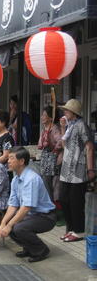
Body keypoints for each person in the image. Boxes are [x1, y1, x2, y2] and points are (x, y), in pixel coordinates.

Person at [0, 146, 56, 263]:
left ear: (21, 161)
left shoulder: (31, 179)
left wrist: (9, 225)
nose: (8, 161)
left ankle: (41, 250)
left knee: (18, 227)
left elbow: (26, 208)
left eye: (11, 158)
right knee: (12, 226)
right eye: (8, 158)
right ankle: (29, 248)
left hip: (46, 217)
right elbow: (13, 205)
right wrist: (3, 223)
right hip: (32, 215)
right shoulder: (16, 179)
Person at [58, 99, 95, 242]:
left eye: (67, 110)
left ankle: (79, 231)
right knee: (64, 199)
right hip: (67, 168)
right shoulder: (70, 126)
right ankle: (71, 228)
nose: (64, 112)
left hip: (78, 168)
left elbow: (89, 147)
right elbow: (64, 144)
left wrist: (90, 168)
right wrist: (62, 128)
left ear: (73, 112)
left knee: (76, 201)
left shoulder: (81, 125)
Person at [37, 106, 63, 201]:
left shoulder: (55, 128)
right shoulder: (45, 129)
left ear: (51, 118)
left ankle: (52, 205)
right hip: (46, 159)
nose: (42, 117)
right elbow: (40, 145)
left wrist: (55, 150)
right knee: (45, 182)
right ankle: (49, 204)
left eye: (44, 115)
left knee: (50, 183)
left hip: (52, 158)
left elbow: (60, 142)